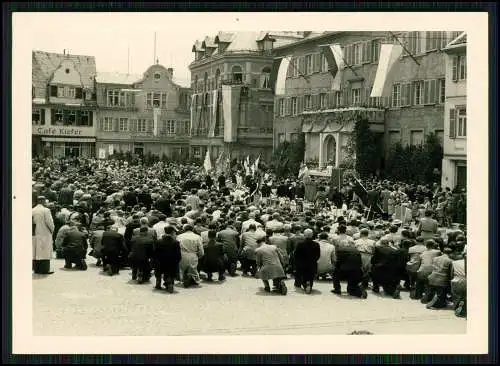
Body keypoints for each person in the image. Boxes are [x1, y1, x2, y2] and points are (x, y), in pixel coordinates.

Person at [153, 225, 181, 293]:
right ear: (172, 232)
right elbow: (178, 255)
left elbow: (155, 253)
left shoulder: (158, 241)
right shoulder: (175, 242)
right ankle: (170, 282)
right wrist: (177, 261)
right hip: (171, 263)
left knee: (158, 268)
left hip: (160, 263)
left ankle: (158, 282)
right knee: (172, 270)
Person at [32, 196, 55, 274]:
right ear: (42, 201)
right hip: (44, 233)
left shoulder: (32, 210)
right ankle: (44, 270)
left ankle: (36, 269)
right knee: (44, 252)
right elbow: (50, 223)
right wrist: (52, 230)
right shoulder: (46, 210)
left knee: (35, 251)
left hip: (34, 233)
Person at [293, 229, 321, 294]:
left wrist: (297, 263)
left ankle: (302, 284)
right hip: (312, 264)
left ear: (304, 235)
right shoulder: (316, 244)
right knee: (310, 275)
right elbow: (318, 255)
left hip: (302, 265)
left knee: (300, 274)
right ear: (312, 235)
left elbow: (296, 255)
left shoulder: (300, 244)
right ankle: (309, 283)